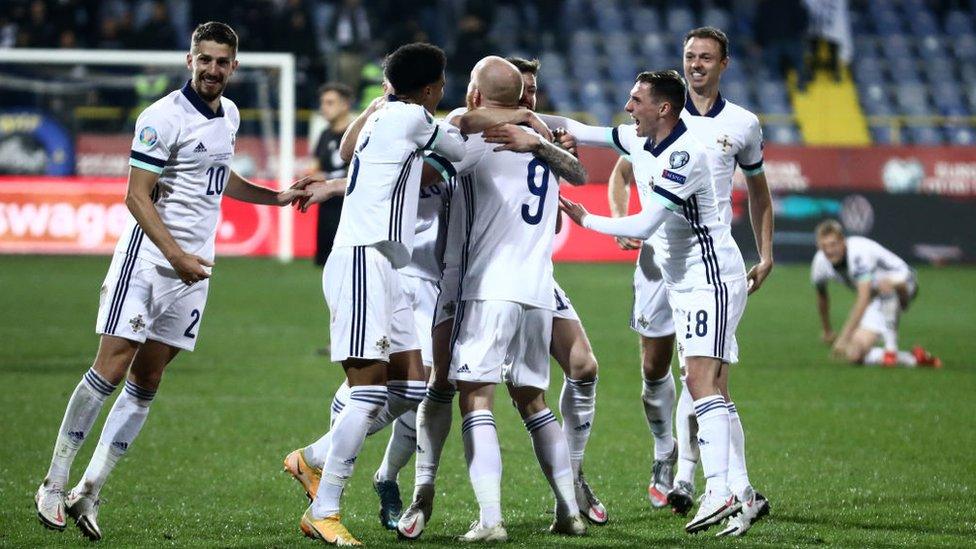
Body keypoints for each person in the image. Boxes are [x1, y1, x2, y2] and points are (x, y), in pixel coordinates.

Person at [33, 21, 314, 541]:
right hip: (147, 263)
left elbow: (219, 175)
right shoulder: (160, 116)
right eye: (204, 59)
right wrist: (175, 253)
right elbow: (136, 196)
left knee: (148, 381)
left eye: (222, 61)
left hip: (193, 269)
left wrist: (274, 197)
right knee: (109, 369)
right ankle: (53, 484)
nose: (212, 69)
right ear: (190, 60)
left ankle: (89, 491)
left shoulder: (228, 114)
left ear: (235, 66)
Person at [557, 69, 751, 536]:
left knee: (701, 380)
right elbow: (583, 130)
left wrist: (589, 221)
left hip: (712, 280)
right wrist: (524, 116)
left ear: (662, 108)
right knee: (710, 384)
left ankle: (720, 489)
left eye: (635, 100)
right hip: (686, 282)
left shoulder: (686, 154)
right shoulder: (644, 141)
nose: (627, 108)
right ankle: (738, 495)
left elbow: (644, 226)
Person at [293, 42, 466, 547]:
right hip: (363, 258)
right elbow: (461, 149)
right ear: (432, 88)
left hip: (387, 263)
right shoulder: (413, 117)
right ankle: (324, 510)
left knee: (412, 385)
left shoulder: (383, 115)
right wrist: (517, 125)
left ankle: (313, 457)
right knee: (368, 391)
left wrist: (375, 103)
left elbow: (348, 153)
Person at [607, 27, 774, 536]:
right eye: (689, 56)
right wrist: (623, 222)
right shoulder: (658, 119)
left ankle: (701, 481)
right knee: (658, 366)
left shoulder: (742, 125)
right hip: (657, 262)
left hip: (706, 263)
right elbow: (619, 171)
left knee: (705, 377)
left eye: (705, 57)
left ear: (724, 63)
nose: (696, 64)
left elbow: (760, 193)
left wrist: (765, 253)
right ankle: (676, 461)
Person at [424, 56, 588, 542]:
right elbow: (577, 172)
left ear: (475, 95)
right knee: (534, 403)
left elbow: (441, 147)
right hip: (539, 293)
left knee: (476, 401)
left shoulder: (475, 139)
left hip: (489, 288)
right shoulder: (542, 146)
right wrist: (535, 132)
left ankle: (491, 518)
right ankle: (569, 510)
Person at [812, 220, 941, 368]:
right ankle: (913, 358)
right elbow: (822, 297)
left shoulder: (858, 252)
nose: (829, 250)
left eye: (833, 244)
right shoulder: (820, 263)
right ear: (818, 246)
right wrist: (827, 330)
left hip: (903, 282)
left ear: (843, 241)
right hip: (876, 297)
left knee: (885, 284)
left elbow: (863, 298)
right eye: (824, 246)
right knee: (854, 353)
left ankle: (890, 350)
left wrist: (844, 337)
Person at [311, 83, 355, 266]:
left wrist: (326, 176)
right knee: (327, 265)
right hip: (327, 207)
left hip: (350, 209)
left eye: (330, 103)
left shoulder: (358, 133)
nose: (324, 108)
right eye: (322, 103)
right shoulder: (324, 134)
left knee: (348, 264)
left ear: (345, 105)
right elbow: (316, 168)